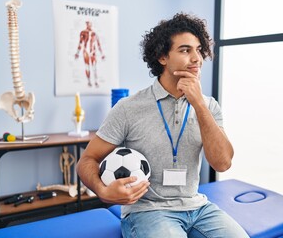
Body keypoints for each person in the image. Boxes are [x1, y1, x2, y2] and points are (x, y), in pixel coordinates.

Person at [76, 13, 249, 238]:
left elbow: (222, 163)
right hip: (148, 211)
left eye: (199, 49)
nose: (196, 58)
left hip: (197, 207)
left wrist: (198, 103)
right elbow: (87, 160)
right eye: (185, 50)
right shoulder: (129, 108)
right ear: (162, 57)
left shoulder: (208, 106)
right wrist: (103, 191)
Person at [75, 21, 105, 88]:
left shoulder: (94, 33)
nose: (89, 25)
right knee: (87, 67)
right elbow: (80, 43)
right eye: (88, 24)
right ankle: (89, 81)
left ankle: (96, 81)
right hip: (86, 52)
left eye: (90, 24)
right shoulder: (83, 32)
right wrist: (77, 53)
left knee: (94, 67)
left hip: (92, 52)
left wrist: (102, 54)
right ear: (86, 24)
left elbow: (98, 44)